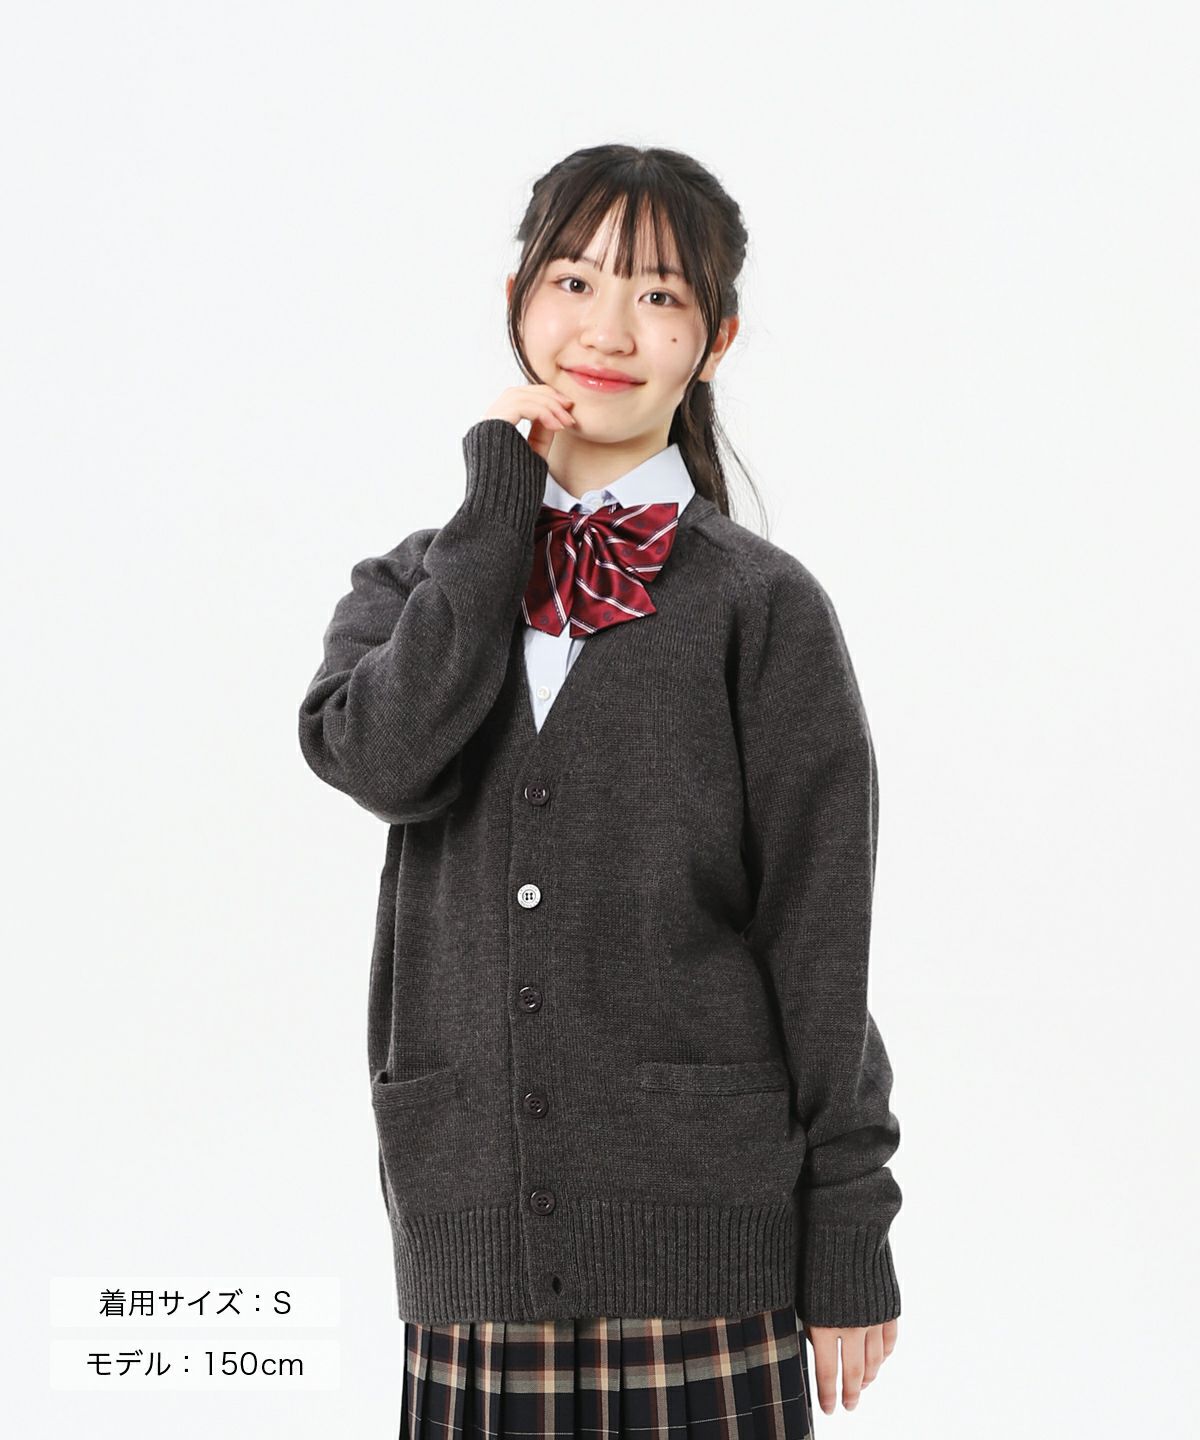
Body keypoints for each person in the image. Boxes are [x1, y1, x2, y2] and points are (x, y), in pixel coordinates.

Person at [299, 143, 903, 1439]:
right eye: (574, 281)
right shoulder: (414, 586)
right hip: (474, 1243)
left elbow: (821, 941)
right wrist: (494, 510)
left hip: (708, 1244)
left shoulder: (761, 607)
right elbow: (381, 761)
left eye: (660, 295)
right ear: (518, 301)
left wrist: (850, 1229)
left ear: (715, 340)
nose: (610, 330)